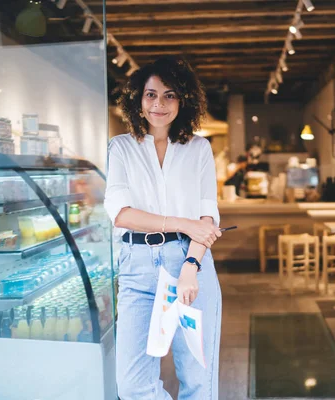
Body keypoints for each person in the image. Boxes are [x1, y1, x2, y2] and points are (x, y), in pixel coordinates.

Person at [104, 56, 223, 400]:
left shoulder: (199, 148)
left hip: (189, 264)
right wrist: (182, 223)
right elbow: (121, 213)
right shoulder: (121, 148)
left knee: (199, 381)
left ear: (183, 101)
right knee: (132, 385)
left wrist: (191, 266)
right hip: (137, 267)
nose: (159, 104)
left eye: (169, 95)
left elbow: (207, 216)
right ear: (138, 101)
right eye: (151, 94)